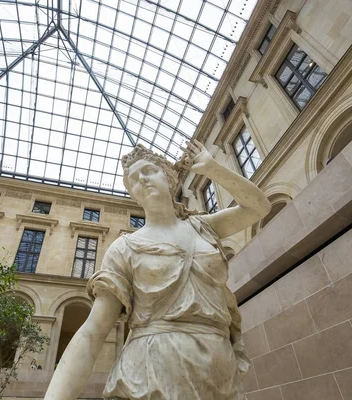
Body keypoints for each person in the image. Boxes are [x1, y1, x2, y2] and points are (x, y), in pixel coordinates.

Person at [44, 141, 271, 400]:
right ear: (132, 193)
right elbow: (93, 330)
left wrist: (212, 168)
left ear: (169, 177)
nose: (142, 179)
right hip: (148, 373)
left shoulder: (203, 228)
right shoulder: (124, 247)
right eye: (133, 179)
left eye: (149, 170)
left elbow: (258, 208)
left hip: (220, 368)